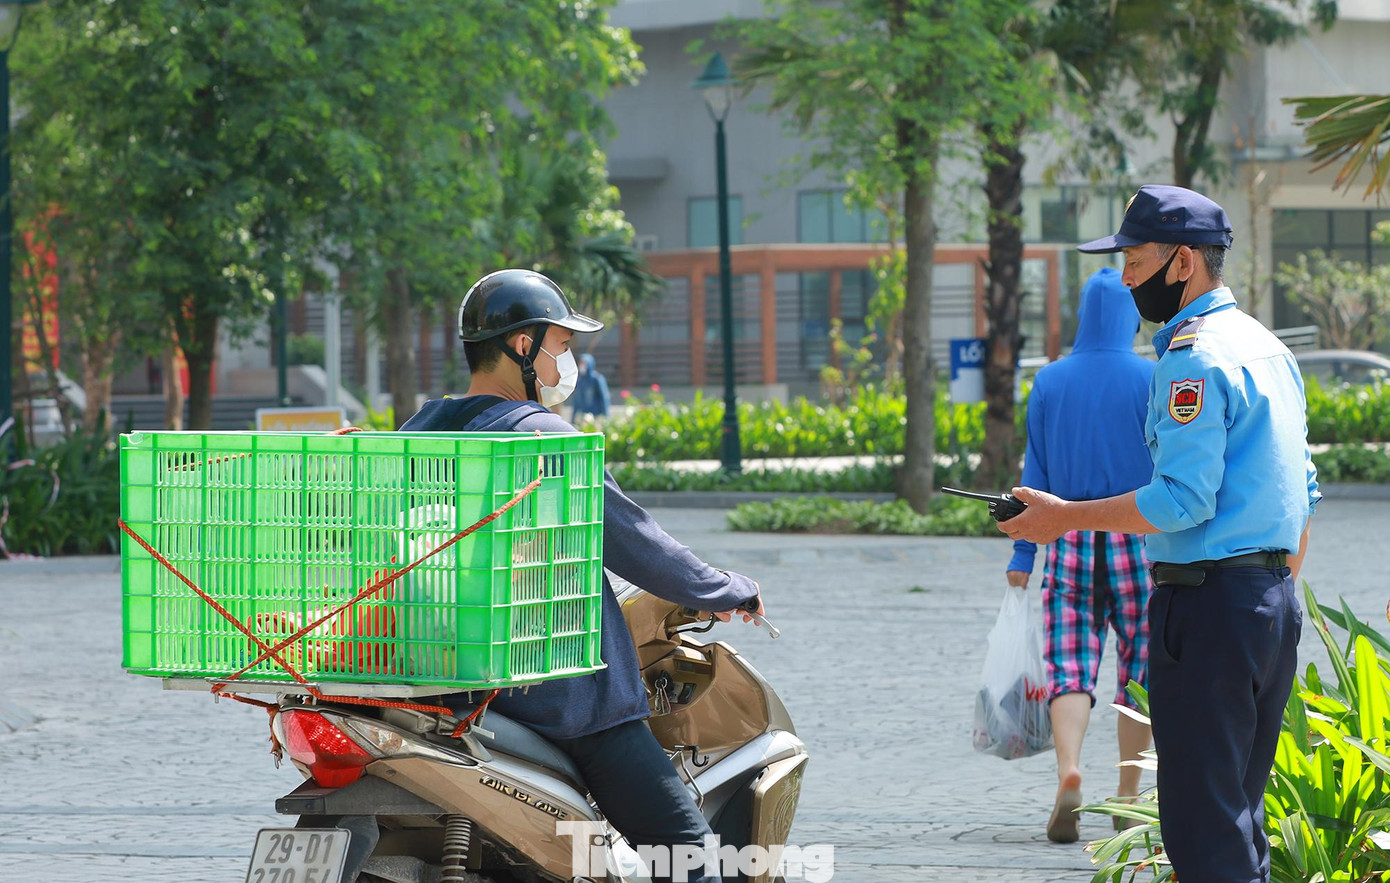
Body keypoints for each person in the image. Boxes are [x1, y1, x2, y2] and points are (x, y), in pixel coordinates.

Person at [399, 268, 764, 883]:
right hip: (551, 692)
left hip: (432, 680)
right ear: (523, 346)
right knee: (691, 858)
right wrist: (728, 588)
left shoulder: (418, 434)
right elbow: (636, 544)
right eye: (561, 345)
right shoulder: (543, 436)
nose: (566, 361)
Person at [1000, 185, 1318, 883]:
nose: (1126, 279)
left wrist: (1065, 516)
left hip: (1208, 605)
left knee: (1204, 828)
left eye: (1136, 260)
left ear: (1184, 263)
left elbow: (1181, 500)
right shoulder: (1267, 347)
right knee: (1238, 815)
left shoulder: (1191, 358)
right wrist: (1269, 588)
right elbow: (1306, 490)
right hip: (1268, 602)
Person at [1005, 266, 1155, 844]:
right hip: (1138, 537)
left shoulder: (1050, 381)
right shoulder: (1153, 377)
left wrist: (1023, 556)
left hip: (1066, 536)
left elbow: (1034, 476)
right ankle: (1127, 795)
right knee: (1141, 671)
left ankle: (1069, 771)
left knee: (1069, 666)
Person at [571, 352, 612, 421]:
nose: (582, 366)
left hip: (597, 415)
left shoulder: (597, 379)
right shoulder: (579, 381)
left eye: (584, 364)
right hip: (584, 416)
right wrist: (573, 416)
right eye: (581, 364)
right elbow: (576, 400)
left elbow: (604, 397)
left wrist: (605, 414)